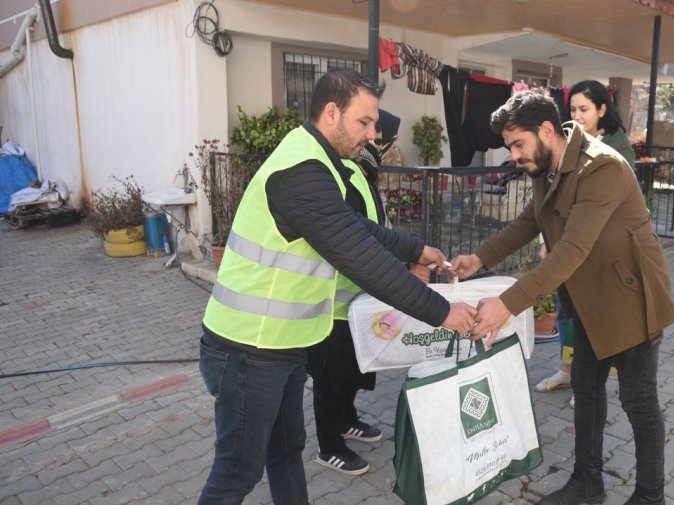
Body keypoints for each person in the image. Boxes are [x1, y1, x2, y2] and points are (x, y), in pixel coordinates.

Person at [197, 69, 477, 505]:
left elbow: (357, 228)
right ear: (331, 112)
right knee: (238, 471)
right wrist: (442, 312)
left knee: (287, 451)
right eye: (364, 123)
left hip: (283, 345)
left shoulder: (320, 163)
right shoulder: (299, 172)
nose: (372, 134)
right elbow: (359, 255)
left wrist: (415, 248)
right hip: (247, 348)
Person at [451, 88, 674, 505]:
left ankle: (651, 495)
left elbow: (572, 248)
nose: (515, 156)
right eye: (510, 147)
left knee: (639, 402)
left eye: (519, 144)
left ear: (546, 129)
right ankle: (587, 484)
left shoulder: (602, 166)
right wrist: (478, 259)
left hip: (631, 301)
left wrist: (507, 304)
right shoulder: (547, 167)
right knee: (587, 392)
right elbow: (528, 222)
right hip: (588, 301)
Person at [306, 109, 431, 476]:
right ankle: (329, 446)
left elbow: (376, 234)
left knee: (350, 374)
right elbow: (353, 243)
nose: (391, 152)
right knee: (331, 378)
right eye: (387, 143)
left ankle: (346, 421)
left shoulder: (362, 176)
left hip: (357, 301)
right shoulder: (343, 179)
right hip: (333, 303)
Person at [533, 80, 638, 407]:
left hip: (598, 249)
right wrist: (547, 238)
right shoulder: (570, 144)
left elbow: (598, 208)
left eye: (584, 109)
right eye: (573, 109)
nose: (576, 115)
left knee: (594, 317)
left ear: (602, 110)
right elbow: (554, 198)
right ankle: (568, 369)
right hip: (567, 245)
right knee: (566, 313)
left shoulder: (615, 149)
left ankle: (589, 382)